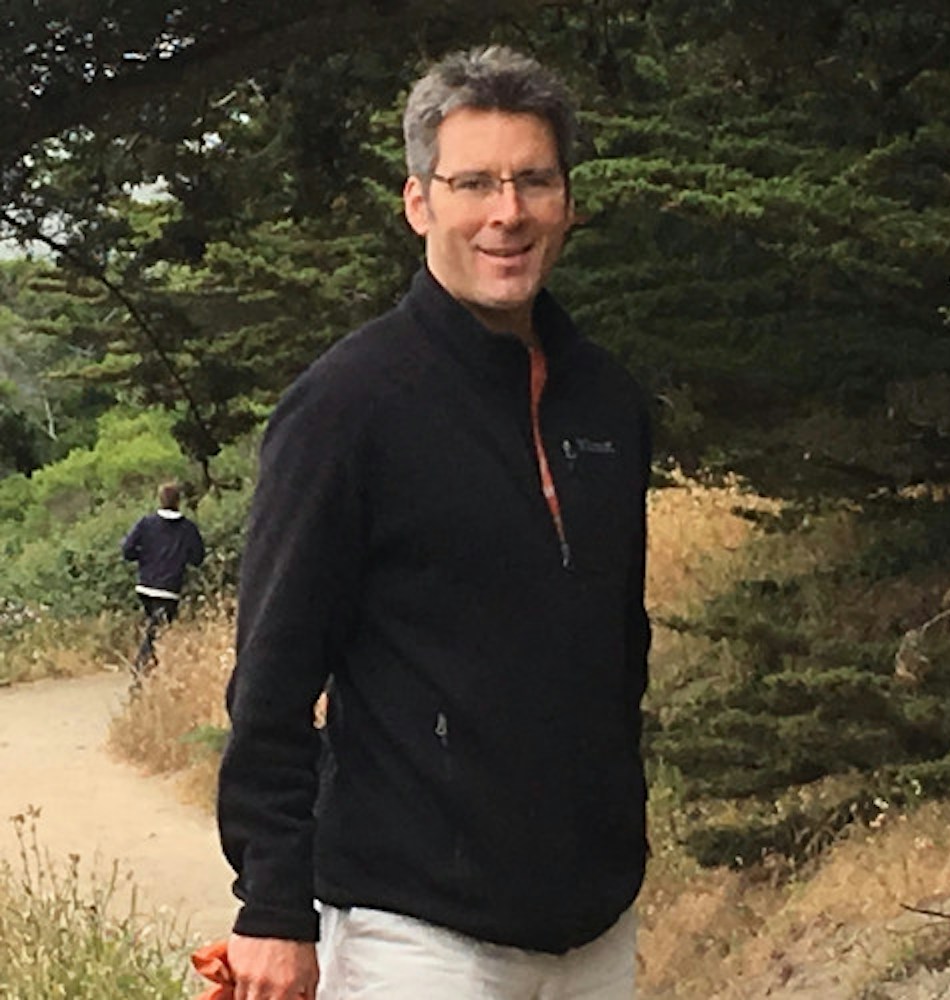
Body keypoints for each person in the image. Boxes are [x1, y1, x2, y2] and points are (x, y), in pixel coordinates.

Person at [218, 45, 652, 1000]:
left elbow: (621, 648)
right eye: (475, 183)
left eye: (534, 180)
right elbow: (273, 680)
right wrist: (273, 909)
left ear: (568, 200)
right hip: (412, 932)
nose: (508, 212)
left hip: (596, 929)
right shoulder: (346, 407)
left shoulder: (609, 402)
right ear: (419, 202)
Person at [121, 481, 205, 674]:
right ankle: (140, 669)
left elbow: (127, 550)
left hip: (145, 586)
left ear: (160, 499)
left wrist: (143, 557)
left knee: (156, 628)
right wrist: (180, 558)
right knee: (156, 632)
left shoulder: (146, 523)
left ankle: (152, 671)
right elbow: (198, 558)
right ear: (178, 501)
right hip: (169, 589)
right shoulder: (187, 528)